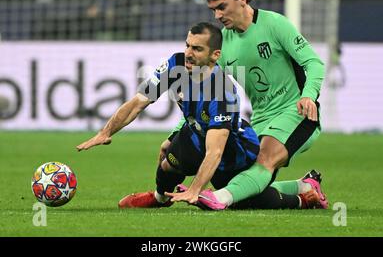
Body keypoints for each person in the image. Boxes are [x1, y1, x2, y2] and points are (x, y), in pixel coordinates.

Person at [76, 22, 325, 210]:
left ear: (215, 55)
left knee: (239, 201)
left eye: (196, 48)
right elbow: (137, 103)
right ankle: (160, 198)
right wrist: (105, 133)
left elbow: (215, 151)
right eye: (187, 45)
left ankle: (303, 195)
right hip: (197, 130)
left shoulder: (222, 92)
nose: (188, 53)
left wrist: (195, 190)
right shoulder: (175, 65)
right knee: (168, 159)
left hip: (233, 149)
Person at [162, 0, 328, 210]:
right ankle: (304, 188)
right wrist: (177, 132)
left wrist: (308, 97)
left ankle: (218, 198)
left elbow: (313, 63)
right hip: (260, 119)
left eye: (222, 7)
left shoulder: (275, 24)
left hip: (298, 112)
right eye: (213, 10)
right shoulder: (222, 44)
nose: (217, 16)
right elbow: (205, 94)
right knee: (242, 187)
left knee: (264, 159)